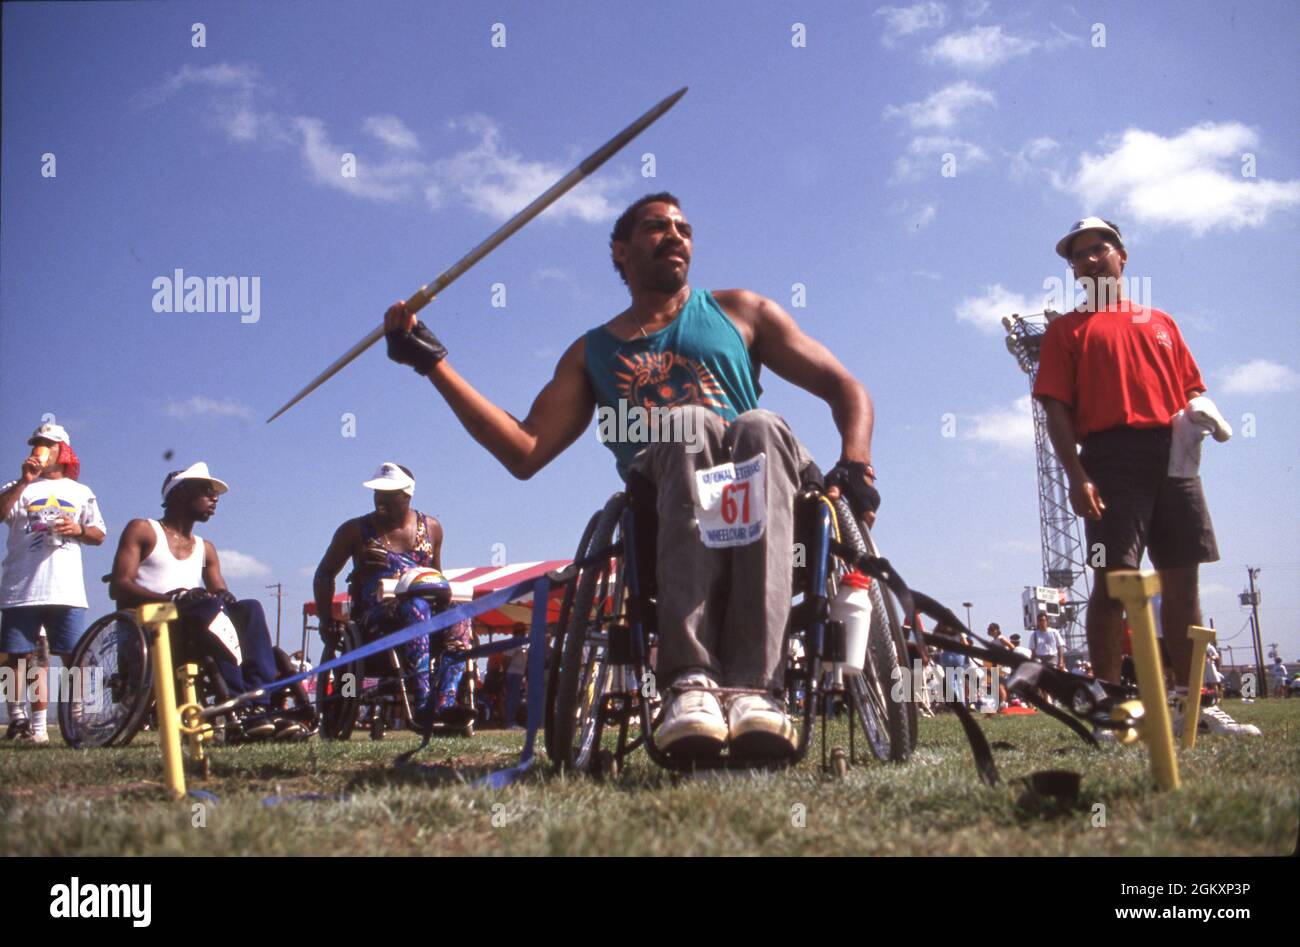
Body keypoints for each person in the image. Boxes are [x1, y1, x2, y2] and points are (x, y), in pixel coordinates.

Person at [381, 192, 878, 760]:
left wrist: (857, 463)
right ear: (620, 251)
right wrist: (432, 363)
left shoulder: (742, 311)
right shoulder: (592, 351)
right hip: (664, 500)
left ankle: (754, 691)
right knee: (686, 425)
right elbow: (524, 450)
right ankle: (691, 682)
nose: (675, 235)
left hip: (759, 483)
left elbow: (847, 389)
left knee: (760, 423)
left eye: (683, 227)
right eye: (656, 227)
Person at [1032, 216, 1257, 737]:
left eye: (1097, 249)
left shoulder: (1161, 321)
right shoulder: (1067, 330)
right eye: (1077, 256)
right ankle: (1109, 708)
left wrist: (1202, 414)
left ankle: (1191, 702)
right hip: (1109, 457)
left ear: (1121, 255)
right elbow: (1056, 410)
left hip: (1174, 457)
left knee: (1184, 581)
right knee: (1115, 582)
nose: (1088, 260)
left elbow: (1191, 390)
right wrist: (1077, 472)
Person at [110, 462, 304, 741]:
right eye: (206, 491)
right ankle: (239, 704)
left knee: (249, 608)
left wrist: (223, 595)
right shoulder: (143, 530)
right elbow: (120, 586)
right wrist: (172, 597)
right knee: (209, 608)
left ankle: (257, 705)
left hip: (197, 625)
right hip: (155, 625)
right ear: (180, 494)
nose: (214, 499)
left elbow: (221, 595)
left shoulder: (206, 548)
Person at [313, 463, 471, 729]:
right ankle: (422, 705)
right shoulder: (354, 531)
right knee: (416, 607)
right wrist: (326, 619)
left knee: (460, 616)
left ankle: (445, 702)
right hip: (376, 622)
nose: (380, 499)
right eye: (377, 492)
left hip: (424, 617)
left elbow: (437, 577)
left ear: (407, 495)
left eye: (389, 493)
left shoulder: (431, 528)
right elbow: (324, 574)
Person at [1, 424, 105, 744]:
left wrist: (78, 529)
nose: (40, 449)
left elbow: (98, 534)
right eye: (36, 443)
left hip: (66, 588)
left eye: (47, 444)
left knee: (74, 656)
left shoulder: (81, 491)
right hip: (22, 587)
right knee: (16, 657)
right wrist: (24, 481)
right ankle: (26, 723)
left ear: (63, 451)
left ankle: (75, 720)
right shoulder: (16, 487)